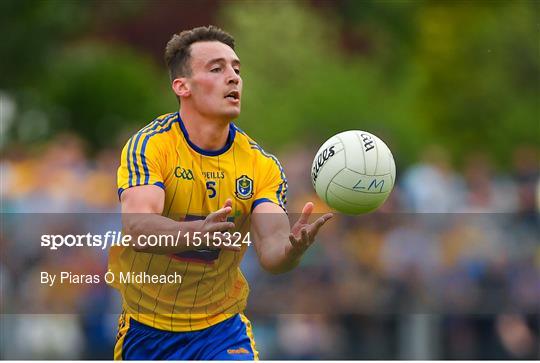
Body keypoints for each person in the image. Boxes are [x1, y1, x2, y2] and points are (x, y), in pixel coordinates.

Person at [109, 25, 333, 360]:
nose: (233, 77)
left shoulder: (261, 165)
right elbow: (139, 228)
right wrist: (197, 233)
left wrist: (292, 250)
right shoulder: (151, 146)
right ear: (181, 86)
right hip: (146, 332)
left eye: (237, 69)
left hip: (220, 330)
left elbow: (272, 251)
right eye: (217, 68)